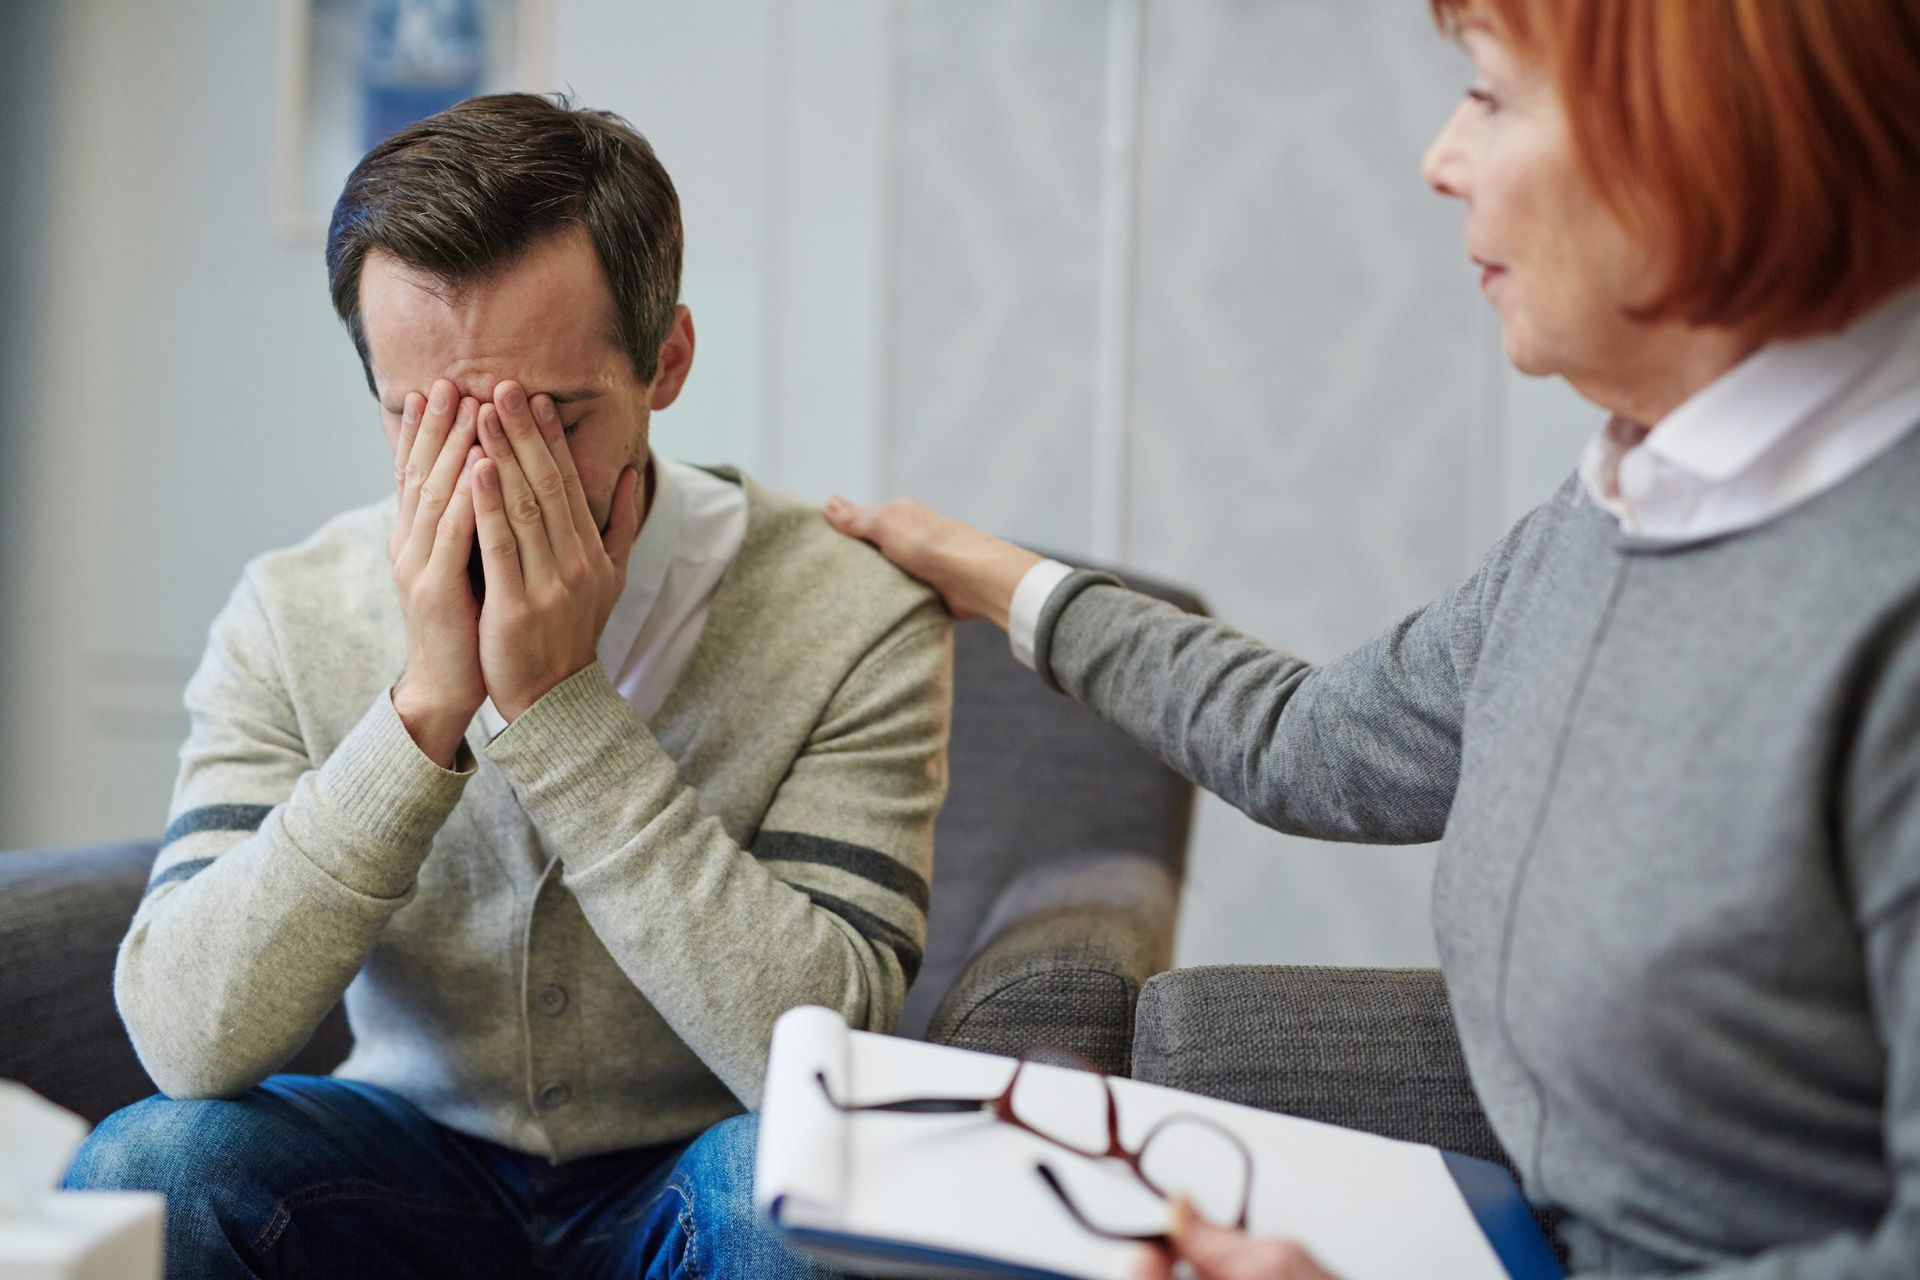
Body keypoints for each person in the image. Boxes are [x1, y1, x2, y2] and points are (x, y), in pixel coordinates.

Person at [826, 0, 1920, 1275]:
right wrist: (1007, 580)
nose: (1440, 158)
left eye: (1493, 96)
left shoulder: (1882, 609)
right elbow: (1311, 740)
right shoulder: (1616, 512)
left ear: (1700, 137)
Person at [62, 93, 951, 1279]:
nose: (489, 475)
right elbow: (184, 1038)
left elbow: (823, 1055)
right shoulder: (293, 608)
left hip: (695, 1164)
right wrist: (425, 707)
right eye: (420, 417)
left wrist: (557, 712)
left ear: (667, 360)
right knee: (151, 1166)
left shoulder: (854, 611)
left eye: (555, 417)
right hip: (397, 1159)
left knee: (789, 1196)